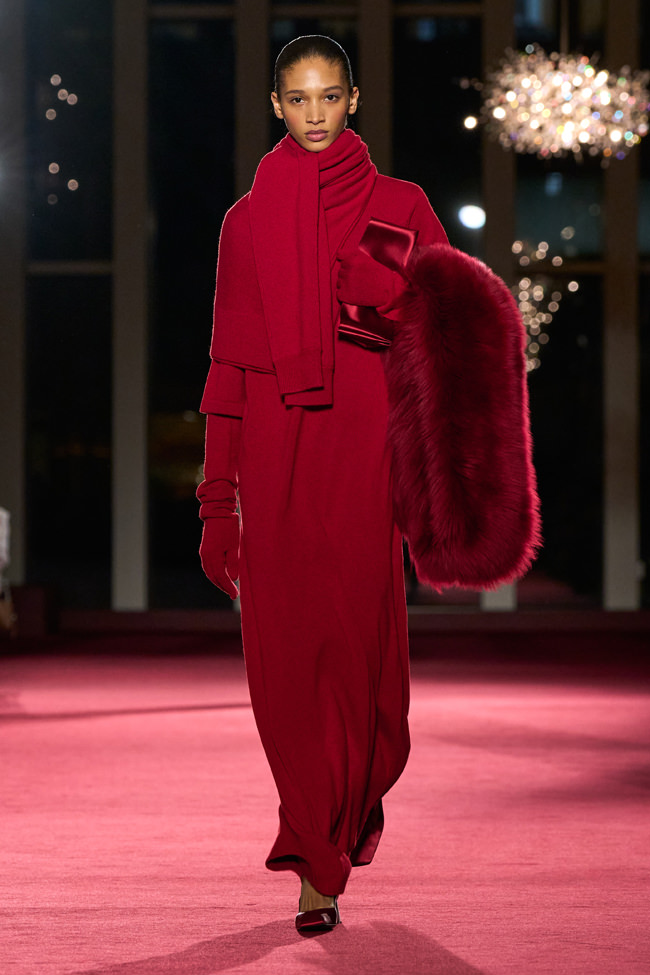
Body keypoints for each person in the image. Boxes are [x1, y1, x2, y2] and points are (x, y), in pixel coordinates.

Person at [197, 35, 539, 934]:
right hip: (275, 450)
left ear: (353, 100)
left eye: (328, 96)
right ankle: (315, 854)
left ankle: (351, 801)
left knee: (364, 668)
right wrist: (217, 501)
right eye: (297, 98)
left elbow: (462, 333)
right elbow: (229, 369)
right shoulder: (244, 222)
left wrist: (391, 303)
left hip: (366, 452)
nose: (314, 113)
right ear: (276, 104)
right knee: (284, 665)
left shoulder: (401, 205)